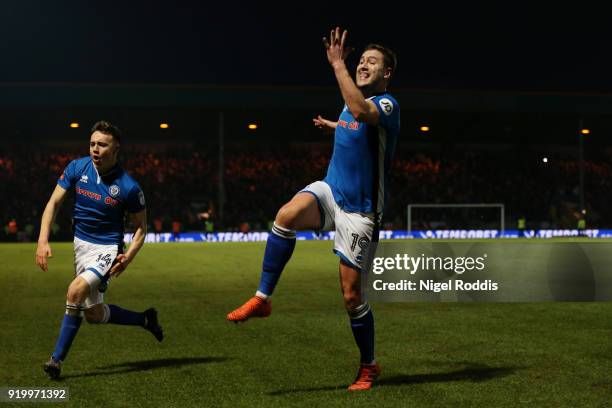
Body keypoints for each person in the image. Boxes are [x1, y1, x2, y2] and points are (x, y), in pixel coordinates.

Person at [227, 27, 399, 391]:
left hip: (361, 212)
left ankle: (369, 366)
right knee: (286, 215)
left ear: (387, 74)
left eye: (372, 62)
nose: (363, 65)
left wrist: (338, 64)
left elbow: (359, 110)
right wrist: (333, 126)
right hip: (332, 191)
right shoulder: (352, 103)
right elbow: (352, 121)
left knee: (352, 296)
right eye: (361, 60)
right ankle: (263, 298)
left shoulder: (387, 105)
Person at [36, 121, 163, 379]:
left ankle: (56, 361)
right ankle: (145, 319)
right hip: (80, 245)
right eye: (92, 143)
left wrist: (128, 256)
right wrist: (42, 240)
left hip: (107, 248)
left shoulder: (128, 187)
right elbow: (54, 202)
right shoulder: (76, 167)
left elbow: (142, 228)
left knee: (75, 290)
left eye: (102, 145)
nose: (95, 149)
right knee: (93, 314)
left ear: (115, 150)